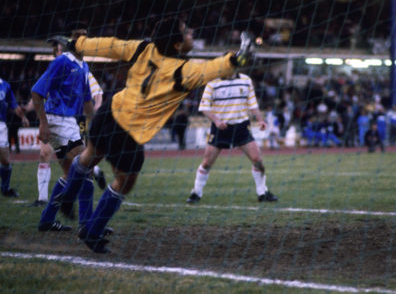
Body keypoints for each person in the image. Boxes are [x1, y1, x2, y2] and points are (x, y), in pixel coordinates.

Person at [51, 18, 253, 253]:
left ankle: (67, 198)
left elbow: (111, 45)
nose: (191, 34)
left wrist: (77, 44)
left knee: (90, 155)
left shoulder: (143, 48)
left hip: (110, 111)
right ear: (177, 45)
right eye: (186, 33)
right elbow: (211, 69)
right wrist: (236, 59)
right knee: (126, 181)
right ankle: (92, 232)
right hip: (129, 131)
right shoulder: (184, 71)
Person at [32, 25, 95, 233]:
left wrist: (93, 125)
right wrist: (42, 123)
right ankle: (87, 225)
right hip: (59, 120)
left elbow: (87, 101)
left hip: (70, 122)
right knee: (85, 169)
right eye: (81, 40)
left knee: (71, 174)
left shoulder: (84, 66)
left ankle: (47, 220)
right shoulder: (62, 62)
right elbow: (37, 92)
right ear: (74, 42)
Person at [186, 70, 278, 204]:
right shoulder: (213, 82)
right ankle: (196, 193)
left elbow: (253, 104)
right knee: (206, 163)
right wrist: (216, 121)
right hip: (220, 128)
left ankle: (262, 192)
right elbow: (204, 107)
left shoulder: (246, 80)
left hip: (241, 127)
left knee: (258, 160)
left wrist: (260, 120)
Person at [0, 77, 29, 197]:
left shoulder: (5, 85)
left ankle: (5, 189)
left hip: (1, 125)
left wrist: (23, 118)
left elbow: (14, 105)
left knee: (6, 160)